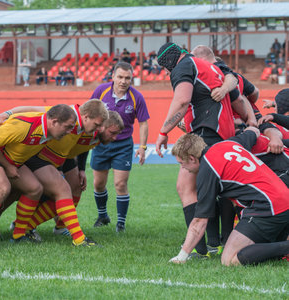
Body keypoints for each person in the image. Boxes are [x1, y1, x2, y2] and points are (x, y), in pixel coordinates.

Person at [156, 42, 236, 258]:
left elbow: (182, 101)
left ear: (170, 61)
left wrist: (164, 131)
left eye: (165, 67)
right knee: (220, 188)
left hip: (206, 132)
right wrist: (252, 122)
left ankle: (199, 249)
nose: (167, 72)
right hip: (224, 134)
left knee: (186, 187)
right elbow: (244, 98)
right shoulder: (216, 68)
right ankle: (220, 242)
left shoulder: (183, 66)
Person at [0, 100, 109, 246]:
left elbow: (79, 149)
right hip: (36, 155)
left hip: (50, 160)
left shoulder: (84, 127)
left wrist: (80, 169)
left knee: (68, 189)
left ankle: (23, 229)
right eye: (97, 125)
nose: (98, 129)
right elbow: (32, 107)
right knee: (61, 189)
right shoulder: (68, 116)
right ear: (86, 117)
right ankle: (78, 239)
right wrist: (8, 113)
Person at [0, 104, 77, 251]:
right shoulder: (23, 126)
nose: (69, 132)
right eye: (67, 127)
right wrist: (8, 166)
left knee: (34, 189)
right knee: (3, 187)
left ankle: (18, 235)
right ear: (54, 121)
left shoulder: (50, 128)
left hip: (4, 155)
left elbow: (37, 109)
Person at [169, 128, 289, 266]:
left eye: (181, 163)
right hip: (282, 199)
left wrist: (182, 256)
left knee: (229, 260)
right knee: (253, 249)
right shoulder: (228, 143)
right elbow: (253, 131)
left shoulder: (207, 170)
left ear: (192, 158)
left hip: (269, 206)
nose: (183, 168)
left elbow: (200, 221)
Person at [90, 61, 150, 232]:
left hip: (123, 145)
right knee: (98, 184)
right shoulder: (101, 91)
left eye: (128, 78)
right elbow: (88, 113)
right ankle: (103, 216)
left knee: (120, 184)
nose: (124, 81)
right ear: (113, 77)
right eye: (120, 77)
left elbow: (143, 123)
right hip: (101, 144)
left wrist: (143, 147)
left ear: (131, 79)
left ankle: (121, 223)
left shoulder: (136, 97)